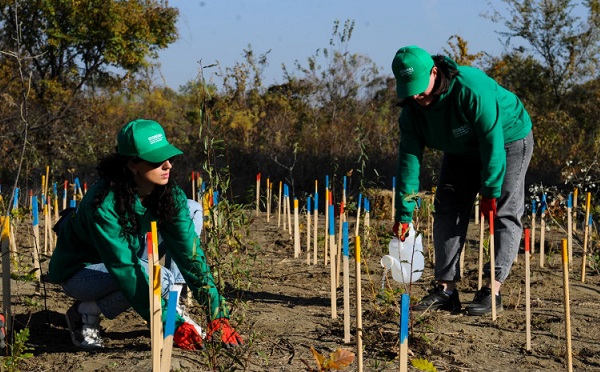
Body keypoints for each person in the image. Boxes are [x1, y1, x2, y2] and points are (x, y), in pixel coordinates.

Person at [48, 119, 243, 349]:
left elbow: (190, 255)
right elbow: (127, 271)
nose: (168, 165)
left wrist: (217, 312)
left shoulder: (167, 193)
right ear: (132, 164)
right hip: (82, 272)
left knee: (191, 209)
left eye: (169, 157)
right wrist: (170, 325)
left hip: (128, 254)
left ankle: (171, 305)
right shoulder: (104, 204)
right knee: (161, 278)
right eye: (157, 160)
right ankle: (84, 312)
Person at [391, 46, 533, 315]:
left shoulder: (471, 89)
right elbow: (409, 163)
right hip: (460, 149)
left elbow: (492, 142)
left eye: (420, 87)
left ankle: (493, 290)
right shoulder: (411, 112)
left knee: (504, 211)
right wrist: (404, 214)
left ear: (434, 71)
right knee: (447, 208)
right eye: (410, 89)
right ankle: (446, 290)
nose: (417, 95)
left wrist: (490, 192)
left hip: (509, 139)